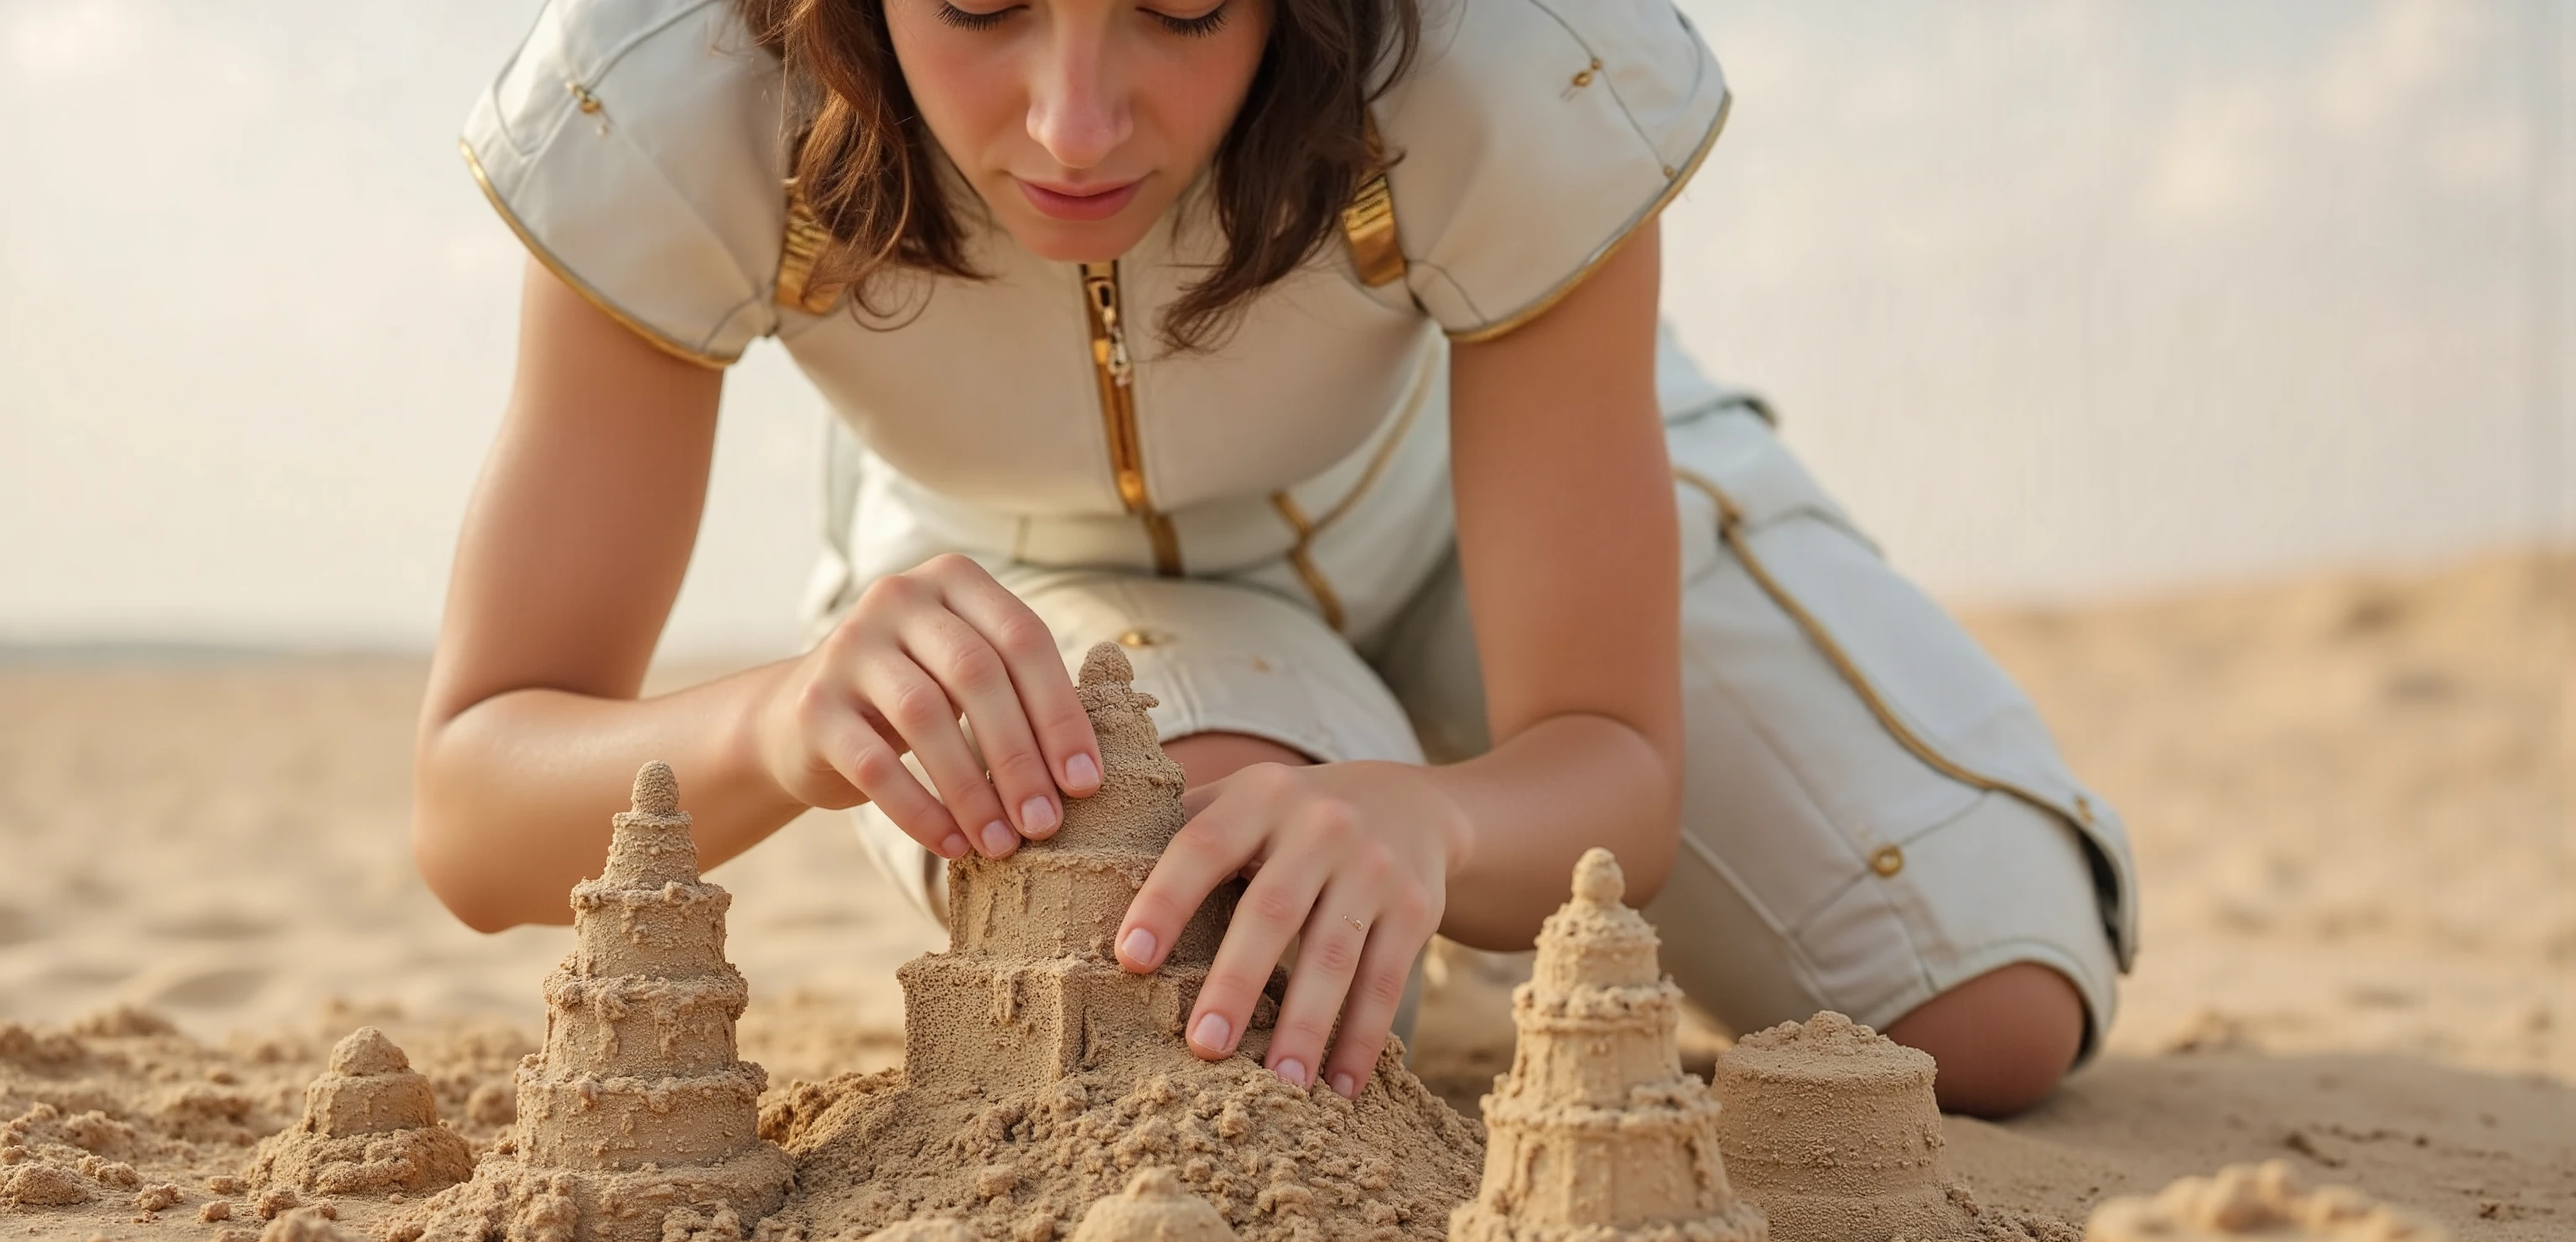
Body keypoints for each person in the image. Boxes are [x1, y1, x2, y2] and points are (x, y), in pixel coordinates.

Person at [415, 0, 2137, 1118]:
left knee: (1987, 1022)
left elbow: (1616, 761)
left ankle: (1384, 805)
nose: (1074, 125)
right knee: (1198, 905)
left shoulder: (1499, 59)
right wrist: (780, 726)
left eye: (1179, 4)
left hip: (1495, 495)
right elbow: (476, 808)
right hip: (1038, 580)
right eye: (980, 4)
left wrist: (1437, 820)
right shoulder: (679, 94)